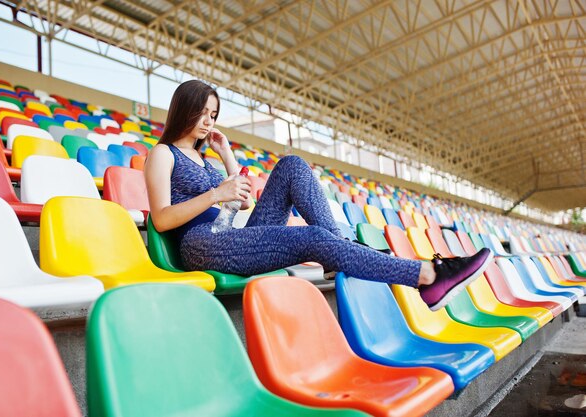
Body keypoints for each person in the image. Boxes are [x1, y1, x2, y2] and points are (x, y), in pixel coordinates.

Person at [145, 80, 492, 311]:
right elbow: (160, 218)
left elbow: (244, 202)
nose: (208, 121)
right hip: (200, 244)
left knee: (293, 165)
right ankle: (426, 276)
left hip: (230, 235)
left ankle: (337, 251)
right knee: (312, 236)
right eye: (203, 112)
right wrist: (214, 195)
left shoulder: (206, 159)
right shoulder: (162, 153)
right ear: (184, 109)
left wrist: (227, 157)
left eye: (214, 114)